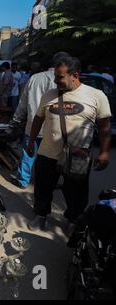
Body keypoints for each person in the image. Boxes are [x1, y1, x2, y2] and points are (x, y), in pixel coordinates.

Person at [26, 56, 112, 231]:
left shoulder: (96, 95)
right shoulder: (49, 94)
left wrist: (104, 152)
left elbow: (104, 127)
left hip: (78, 156)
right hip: (47, 152)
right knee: (42, 188)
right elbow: (38, 119)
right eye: (56, 77)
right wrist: (31, 141)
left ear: (75, 75)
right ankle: (41, 216)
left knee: (76, 192)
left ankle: (72, 219)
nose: (56, 81)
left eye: (60, 77)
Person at [11, 52, 71, 189]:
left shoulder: (35, 78)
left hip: (33, 124)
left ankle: (22, 180)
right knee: (51, 158)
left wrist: (16, 118)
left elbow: (23, 101)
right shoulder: (65, 80)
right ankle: (48, 182)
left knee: (28, 152)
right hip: (54, 128)